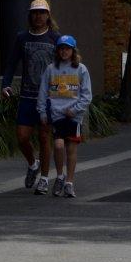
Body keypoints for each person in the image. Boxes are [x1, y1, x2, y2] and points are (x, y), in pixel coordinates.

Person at [0, 0, 61, 194]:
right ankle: (32, 163)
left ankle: (44, 178)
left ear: (48, 15)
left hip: (48, 98)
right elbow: (11, 63)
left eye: (42, 13)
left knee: (44, 137)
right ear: (30, 15)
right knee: (22, 137)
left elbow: (63, 66)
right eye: (35, 13)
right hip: (27, 95)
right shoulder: (22, 37)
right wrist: (5, 84)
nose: (38, 16)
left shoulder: (55, 38)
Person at [36, 35, 92, 198]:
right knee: (59, 146)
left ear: (73, 51)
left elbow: (87, 95)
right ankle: (59, 175)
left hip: (74, 116)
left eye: (67, 49)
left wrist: (75, 110)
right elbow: (43, 92)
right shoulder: (51, 69)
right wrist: (42, 111)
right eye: (61, 48)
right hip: (57, 114)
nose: (64, 51)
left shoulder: (81, 69)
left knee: (71, 149)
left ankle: (69, 182)